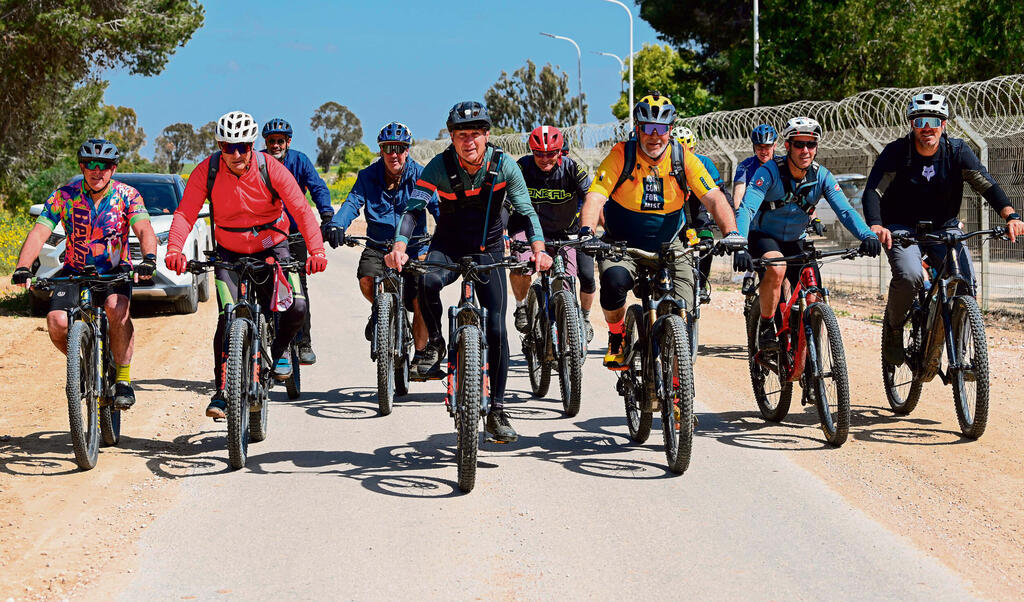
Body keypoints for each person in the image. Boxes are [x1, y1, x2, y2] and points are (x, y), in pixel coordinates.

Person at [384, 101, 552, 443]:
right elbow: (413, 211)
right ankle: (434, 344)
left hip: (489, 250)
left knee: (496, 329)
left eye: (475, 134)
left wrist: (539, 249)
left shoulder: (505, 166)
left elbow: (526, 210)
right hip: (448, 245)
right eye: (462, 135)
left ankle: (498, 411)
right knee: (426, 281)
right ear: (451, 137)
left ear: (487, 135)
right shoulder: (438, 167)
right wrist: (399, 247)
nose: (469, 141)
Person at [165, 111, 328, 419]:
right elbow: (186, 213)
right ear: (219, 145)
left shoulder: (272, 169)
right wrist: (175, 248)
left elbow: (302, 211)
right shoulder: (207, 170)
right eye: (229, 147)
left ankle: (276, 356)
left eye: (243, 146)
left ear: (253, 145)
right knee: (227, 319)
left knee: (296, 309)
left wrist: (316, 251)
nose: (236, 154)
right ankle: (222, 391)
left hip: (272, 246)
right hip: (229, 250)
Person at [579, 93, 745, 369]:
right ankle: (618, 335)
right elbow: (596, 196)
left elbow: (714, 197)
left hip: (670, 244)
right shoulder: (622, 155)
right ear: (637, 128)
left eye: (661, 128)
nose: (654, 136)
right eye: (648, 127)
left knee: (685, 303)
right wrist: (586, 231)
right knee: (614, 281)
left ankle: (679, 386)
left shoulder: (682, 158)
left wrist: (731, 233)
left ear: (670, 130)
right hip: (623, 244)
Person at [861, 92, 1024, 364]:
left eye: (934, 120)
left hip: (944, 229)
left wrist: (1011, 215)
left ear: (944, 124)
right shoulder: (897, 152)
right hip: (902, 229)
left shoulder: (957, 151)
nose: (927, 127)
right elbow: (873, 192)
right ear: (911, 124)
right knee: (911, 275)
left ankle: (961, 352)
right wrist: (876, 226)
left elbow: (988, 185)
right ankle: (894, 328)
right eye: (920, 120)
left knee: (966, 282)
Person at [11, 139, 158, 410]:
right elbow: (40, 231)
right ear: (82, 166)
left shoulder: (128, 195)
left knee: (117, 308)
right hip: (75, 271)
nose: (97, 171)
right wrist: (23, 266)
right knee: (56, 321)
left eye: (104, 166)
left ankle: (123, 379)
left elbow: (144, 229)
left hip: (114, 272)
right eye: (91, 164)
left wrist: (149, 258)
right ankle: (80, 364)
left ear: (113, 169)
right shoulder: (63, 195)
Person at [734, 117, 881, 351]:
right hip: (764, 236)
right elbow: (747, 208)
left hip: (796, 239)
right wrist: (739, 244)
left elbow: (844, 210)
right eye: (799, 144)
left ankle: (808, 353)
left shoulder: (821, 176)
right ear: (787, 146)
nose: (805, 150)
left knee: (813, 293)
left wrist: (867, 236)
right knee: (776, 268)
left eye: (811, 145)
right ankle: (765, 325)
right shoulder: (769, 172)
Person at [325, 121, 438, 361]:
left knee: (420, 297)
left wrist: (448, 232)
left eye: (399, 148)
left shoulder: (421, 175)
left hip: (415, 245)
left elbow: (438, 207)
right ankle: (380, 309)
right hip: (377, 245)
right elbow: (352, 203)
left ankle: (420, 354)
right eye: (388, 148)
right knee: (367, 280)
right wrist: (337, 224)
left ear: (407, 150)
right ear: (380, 151)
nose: (393, 154)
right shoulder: (368, 176)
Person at [508, 125, 595, 341]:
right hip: (526, 229)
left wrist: (592, 229)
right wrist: (501, 230)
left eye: (551, 153)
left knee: (569, 279)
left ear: (560, 152)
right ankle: (521, 307)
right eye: (539, 153)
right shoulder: (523, 167)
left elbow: (592, 196)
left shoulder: (571, 168)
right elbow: (506, 201)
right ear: (532, 151)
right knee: (521, 266)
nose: (545, 158)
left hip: (565, 231)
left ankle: (572, 322)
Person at [261, 117, 335, 365]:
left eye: (280, 141)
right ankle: (261, 338)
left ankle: (304, 343)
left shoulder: (300, 161)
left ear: (288, 142)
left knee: (298, 286)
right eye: (271, 141)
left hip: (294, 234)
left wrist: (326, 215)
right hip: (265, 235)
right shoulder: (258, 162)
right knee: (262, 283)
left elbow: (318, 188)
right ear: (266, 143)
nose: (275, 145)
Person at [672, 125, 730, 303]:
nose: (684, 154)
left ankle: (702, 285)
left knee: (707, 243)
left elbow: (721, 192)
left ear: (693, 148)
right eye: (679, 150)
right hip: (675, 213)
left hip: (698, 212)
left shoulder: (704, 163)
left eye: (688, 149)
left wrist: (730, 218)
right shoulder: (664, 164)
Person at [733, 124, 784, 293]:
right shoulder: (745, 166)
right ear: (753, 147)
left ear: (775, 145)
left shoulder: (783, 164)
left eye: (767, 147)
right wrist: (738, 212)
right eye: (759, 147)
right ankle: (749, 273)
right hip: (753, 215)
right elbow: (739, 195)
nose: (763, 151)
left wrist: (813, 218)